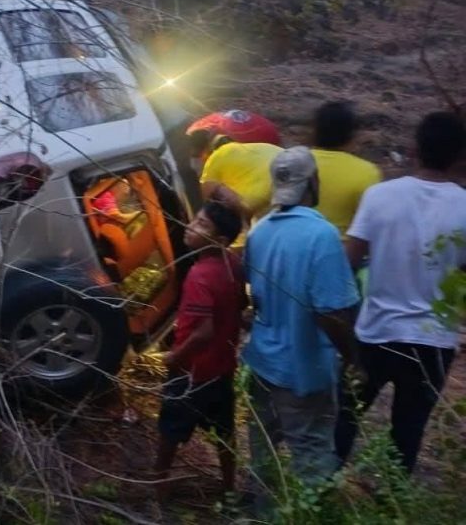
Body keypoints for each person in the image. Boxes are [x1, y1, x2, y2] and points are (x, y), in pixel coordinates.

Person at [334, 111, 466, 473]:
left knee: (344, 417)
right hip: (433, 343)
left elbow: (348, 261)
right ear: (459, 158)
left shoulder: (380, 196)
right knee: (407, 435)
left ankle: (321, 494)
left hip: (375, 333)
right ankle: (391, 506)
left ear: (413, 149)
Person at [242, 146, 361, 499]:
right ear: (313, 182)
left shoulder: (259, 231)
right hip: (303, 373)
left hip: (262, 363)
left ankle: (259, 516)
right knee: (311, 458)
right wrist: (354, 357)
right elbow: (331, 313)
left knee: (263, 455)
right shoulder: (321, 236)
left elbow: (256, 299)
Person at [155, 201, 246, 498]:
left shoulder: (200, 274)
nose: (191, 227)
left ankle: (156, 485)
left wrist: (174, 357)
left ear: (219, 240)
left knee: (170, 427)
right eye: (195, 220)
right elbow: (239, 307)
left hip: (193, 371)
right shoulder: (231, 263)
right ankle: (229, 484)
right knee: (224, 430)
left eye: (202, 225)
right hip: (222, 367)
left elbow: (202, 332)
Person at [310, 100, 381, 236]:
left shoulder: (293, 161)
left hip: (291, 245)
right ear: (351, 135)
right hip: (341, 250)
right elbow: (369, 224)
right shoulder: (367, 172)